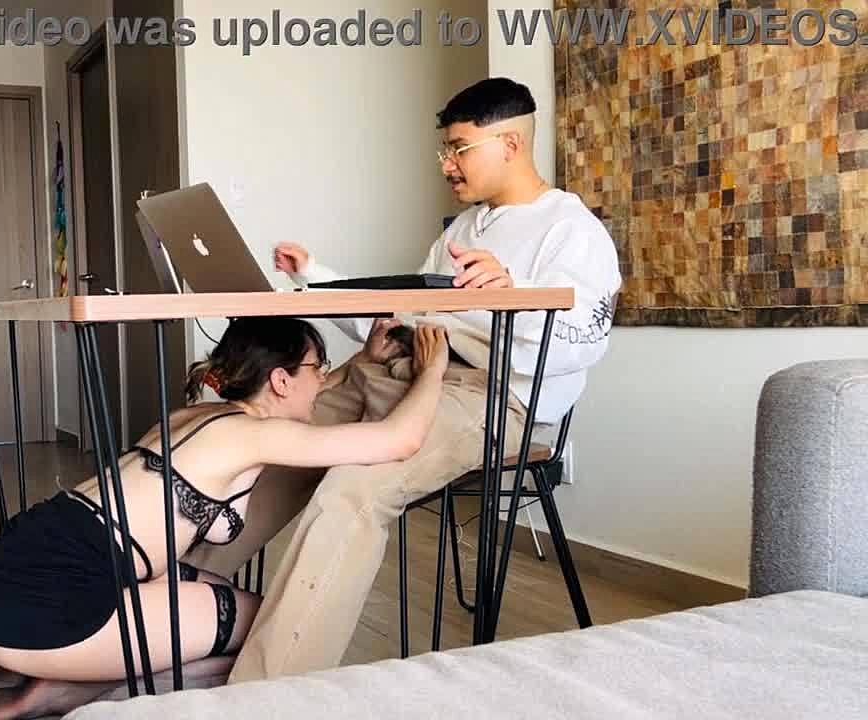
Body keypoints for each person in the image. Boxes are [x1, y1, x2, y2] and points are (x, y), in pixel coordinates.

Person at [179, 76, 624, 683]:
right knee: (258, 442)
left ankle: (262, 692)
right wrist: (316, 276)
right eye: (445, 149)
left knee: (351, 491)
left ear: (511, 144)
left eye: (460, 148)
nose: (447, 164)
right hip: (405, 368)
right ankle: (177, 613)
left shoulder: (571, 231)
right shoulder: (462, 232)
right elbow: (406, 313)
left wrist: (513, 297)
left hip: (493, 398)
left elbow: (582, 345)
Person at [0, 316, 452, 719]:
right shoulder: (256, 435)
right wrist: (432, 370)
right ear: (280, 379)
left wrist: (360, 361)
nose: (324, 379)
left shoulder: (202, 414)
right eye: (319, 368)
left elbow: (301, 398)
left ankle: (43, 682)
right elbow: (401, 439)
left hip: (15, 567)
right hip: (47, 607)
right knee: (270, 632)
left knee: (243, 608)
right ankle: (52, 694)